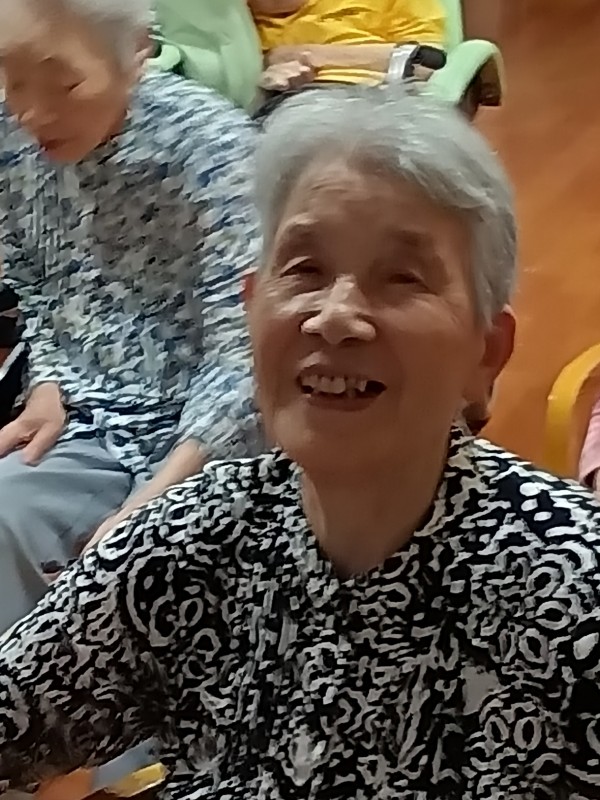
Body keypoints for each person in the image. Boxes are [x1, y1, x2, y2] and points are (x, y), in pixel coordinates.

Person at [2, 88, 600, 800]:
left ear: (487, 352)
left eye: (402, 278)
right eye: (305, 270)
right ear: (252, 308)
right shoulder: (191, 544)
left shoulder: (573, 591)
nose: (336, 317)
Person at [0, 0, 262, 631]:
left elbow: (247, 353)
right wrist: (49, 379)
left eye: (64, 84)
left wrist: (156, 499)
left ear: (137, 51)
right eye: (11, 80)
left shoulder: (214, 150)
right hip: (81, 409)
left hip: (196, 433)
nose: (31, 113)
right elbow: (35, 278)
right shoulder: (12, 137)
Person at [249, 0, 447, 116]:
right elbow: (408, 56)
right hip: (291, 106)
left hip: (385, 98)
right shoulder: (238, 15)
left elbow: (425, 61)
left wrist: (291, 54)